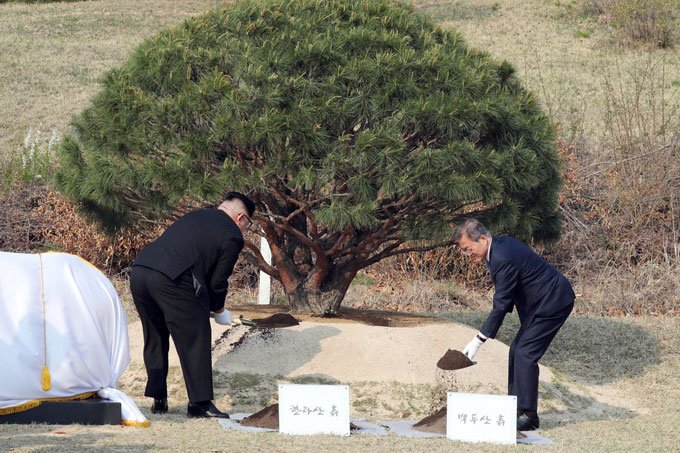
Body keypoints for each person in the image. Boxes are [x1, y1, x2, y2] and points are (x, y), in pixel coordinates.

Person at [130, 191, 255, 418]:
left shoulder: (196, 216)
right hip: (173, 278)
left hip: (140, 270)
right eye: (248, 224)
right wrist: (219, 310)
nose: (246, 228)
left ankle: (159, 398)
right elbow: (218, 280)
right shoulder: (232, 235)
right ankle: (200, 403)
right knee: (195, 334)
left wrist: (211, 304)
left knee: (155, 334)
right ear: (241, 218)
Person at [454, 219, 574, 431]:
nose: (467, 254)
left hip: (554, 301)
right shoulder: (498, 248)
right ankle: (515, 408)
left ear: (482, 239)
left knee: (526, 353)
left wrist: (479, 339)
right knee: (517, 349)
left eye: (468, 249)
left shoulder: (502, 257)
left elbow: (501, 304)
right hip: (538, 304)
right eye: (463, 251)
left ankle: (528, 416)